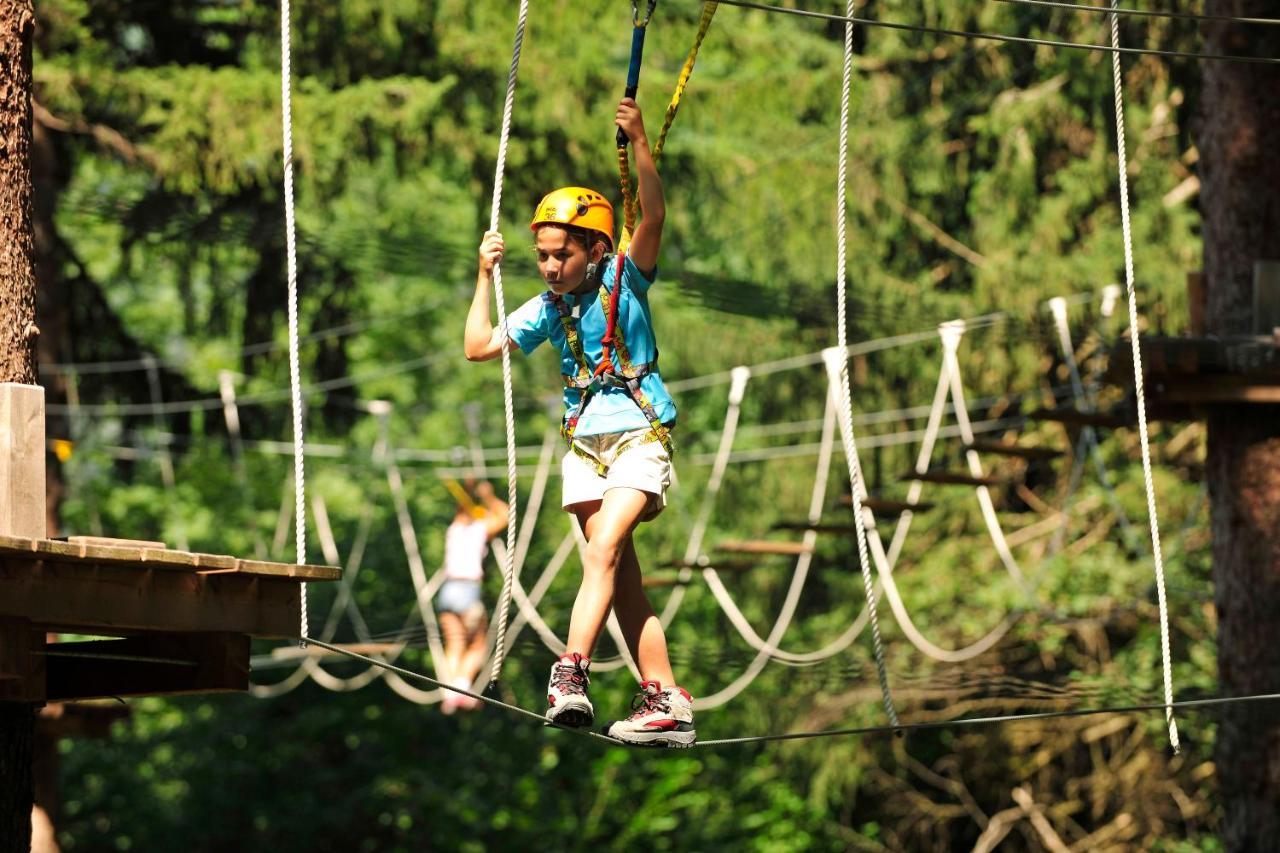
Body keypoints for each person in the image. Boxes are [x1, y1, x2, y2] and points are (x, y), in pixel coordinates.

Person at [463, 97, 695, 747]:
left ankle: (571, 670)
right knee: (620, 573)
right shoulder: (546, 307)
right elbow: (477, 346)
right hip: (585, 444)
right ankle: (666, 698)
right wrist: (486, 274)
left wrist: (640, 140)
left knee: (602, 549)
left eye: (560, 254)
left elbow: (653, 213)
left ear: (594, 248)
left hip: (638, 433)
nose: (548, 267)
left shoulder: (626, 276)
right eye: (540, 255)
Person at [436, 478, 508, 714]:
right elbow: (505, 514)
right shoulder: (479, 530)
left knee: (455, 643)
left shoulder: (453, 530)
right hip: (467, 590)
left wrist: (467, 488)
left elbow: (462, 507)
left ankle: (450, 694)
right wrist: (488, 495)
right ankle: (462, 688)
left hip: (448, 589)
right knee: (478, 643)